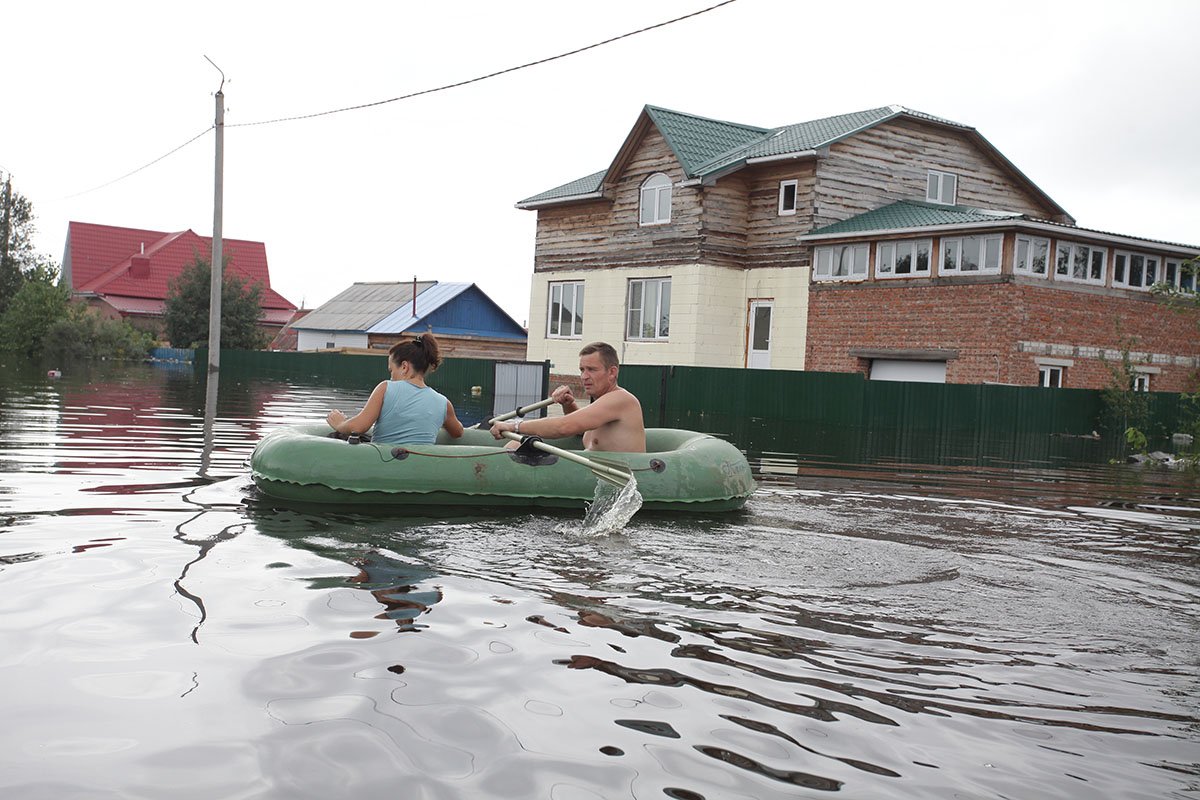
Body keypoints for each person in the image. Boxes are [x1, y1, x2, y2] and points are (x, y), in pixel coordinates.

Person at [490, 341, 645, 452]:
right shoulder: (602, 404)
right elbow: (580, 430)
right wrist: (568, 404)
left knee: (519, 440)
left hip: (620, 481)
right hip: (597, 477)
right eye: (582, 369)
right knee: (517, 444)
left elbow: (564, 427)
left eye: (591, 369)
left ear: (612, 372)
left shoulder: (620, 400)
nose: (584, 376)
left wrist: (514, 426)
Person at [327, 333, 464, 444]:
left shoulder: (386, 388)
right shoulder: (443, 403)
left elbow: (359, 427)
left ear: (404, 367)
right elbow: (458, 432)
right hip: (422, 466)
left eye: (391, 370)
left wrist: (340, 424)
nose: (391, 376)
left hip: (384, 464)